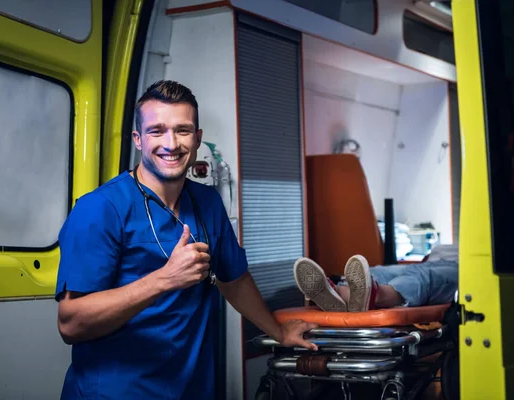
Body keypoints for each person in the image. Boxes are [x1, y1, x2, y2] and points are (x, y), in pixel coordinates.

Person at [55, 80, 317, 399]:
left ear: (197, 138)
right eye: (157, 131)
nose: (171, 143)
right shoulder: (100, 209)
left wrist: (278, 331)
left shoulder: (207, 202)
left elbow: (234, 280)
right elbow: (70, 323)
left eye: (182, 130)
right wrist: (164, 279)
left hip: (192, 388)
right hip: (117, 391)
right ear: (138, 139)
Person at [293, 244, 459, 312]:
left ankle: (375, 296)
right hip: (432, 260)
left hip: (466, 267)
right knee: (378, 272)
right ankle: (342, 292)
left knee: (423, 277)